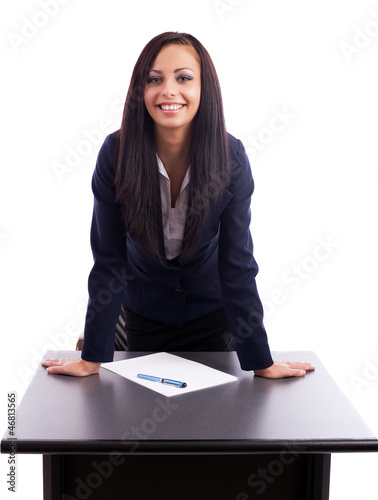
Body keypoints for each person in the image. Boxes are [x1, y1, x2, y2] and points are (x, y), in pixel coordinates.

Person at [43, 32, 315, 378]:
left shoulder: (231, 158)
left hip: (212, 319)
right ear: (140, 91)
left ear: (205, 89)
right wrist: (93, 354)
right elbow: (109, 262)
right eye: (154, 79)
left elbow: (237, 265)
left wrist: (261, 361)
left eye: (183, 78)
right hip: (142, 315)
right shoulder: (115, 153)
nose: (168, 90)